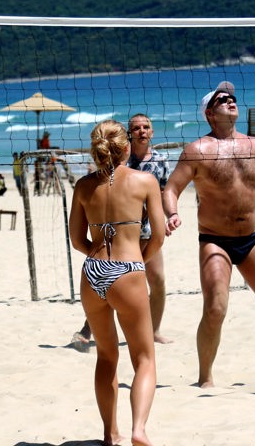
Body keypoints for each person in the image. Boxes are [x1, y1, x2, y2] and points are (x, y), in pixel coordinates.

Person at [163, 81, 255, 388]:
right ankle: (205, 378)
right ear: (210, 113)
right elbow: (172, 188)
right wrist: (173, 213)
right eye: (221, 99)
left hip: (252, 237)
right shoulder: (197, 151)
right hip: (215, 239)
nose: (230, 101)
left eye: (232, 97)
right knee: (216, 306)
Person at [69, 119, 164, 446]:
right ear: (126, 148)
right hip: (128, 268)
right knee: (145, 359)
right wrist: (139, 261)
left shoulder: (83, 186)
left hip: (92, 270)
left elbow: (76, 240)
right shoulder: (145, 180)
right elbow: (160, 236)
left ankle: (110, 435)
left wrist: (97, 252)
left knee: (106, 357)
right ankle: (138, 429)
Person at [73, 113, 173, 350]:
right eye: (136, 128)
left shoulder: (160, 162)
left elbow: (166, 192)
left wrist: (172, 214)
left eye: (146, 127)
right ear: (126, 139)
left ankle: (154, 329)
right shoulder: (118, 161)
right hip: (119, 241)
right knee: (114, 281)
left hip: (145, 232)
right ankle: (88, 330)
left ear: (152, 131)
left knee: (156, 281)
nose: (141, 131)